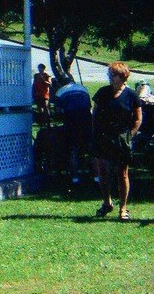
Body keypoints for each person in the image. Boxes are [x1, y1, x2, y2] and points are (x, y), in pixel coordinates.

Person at [92, 61, 142, 221]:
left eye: (112, 75)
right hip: (103, 137)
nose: (110, 77)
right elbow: (95, 114)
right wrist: (96, 134)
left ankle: (123, 208)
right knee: (103, 172)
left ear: (122, 76)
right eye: (109, 74)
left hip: (122, 138)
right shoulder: (102, 93)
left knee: (122, 173)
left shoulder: (131, 95)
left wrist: (130, 135)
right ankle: (107, 202)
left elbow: (138, 119)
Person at [53, 79, 92, 185]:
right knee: (90, 147)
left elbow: (57, 110)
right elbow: (89, 106)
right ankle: (96, 175)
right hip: (86, 119)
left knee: (73, 149)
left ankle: (75, 177)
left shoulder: (60, 91)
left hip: (71, 120)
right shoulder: (84, 89)